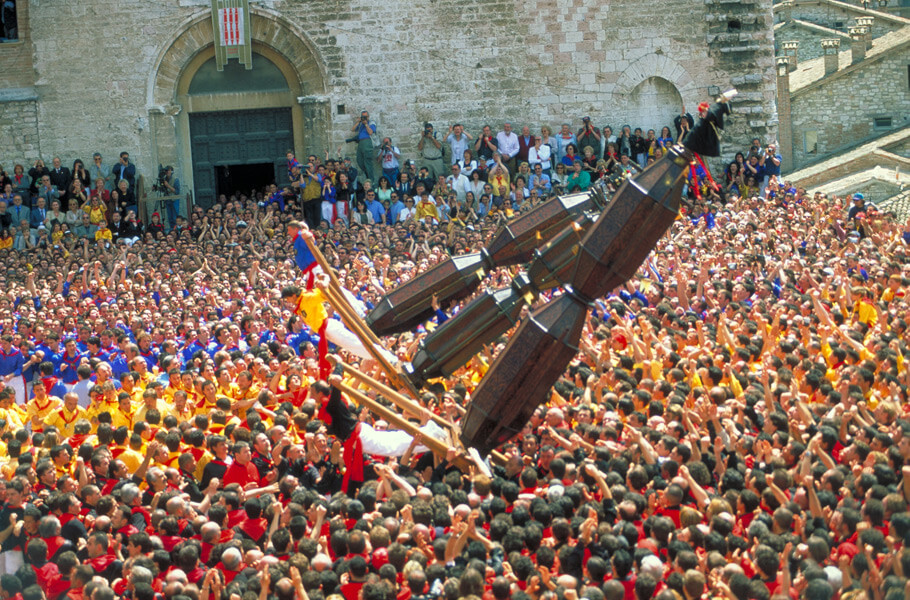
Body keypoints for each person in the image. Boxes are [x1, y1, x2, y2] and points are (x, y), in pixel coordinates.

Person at [351, 111, 377, 184]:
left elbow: (370, 132)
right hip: (360, 143)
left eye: (365, 116)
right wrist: (358, 122)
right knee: (359, 161)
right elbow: (353, 129)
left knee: (368, 162)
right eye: (363, 116)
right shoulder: (360, 124)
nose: (364, 118)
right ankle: (368, 176)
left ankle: (371, 180)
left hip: (367, 142)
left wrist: (366, 124)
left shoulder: (371, 123)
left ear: (368, 117)